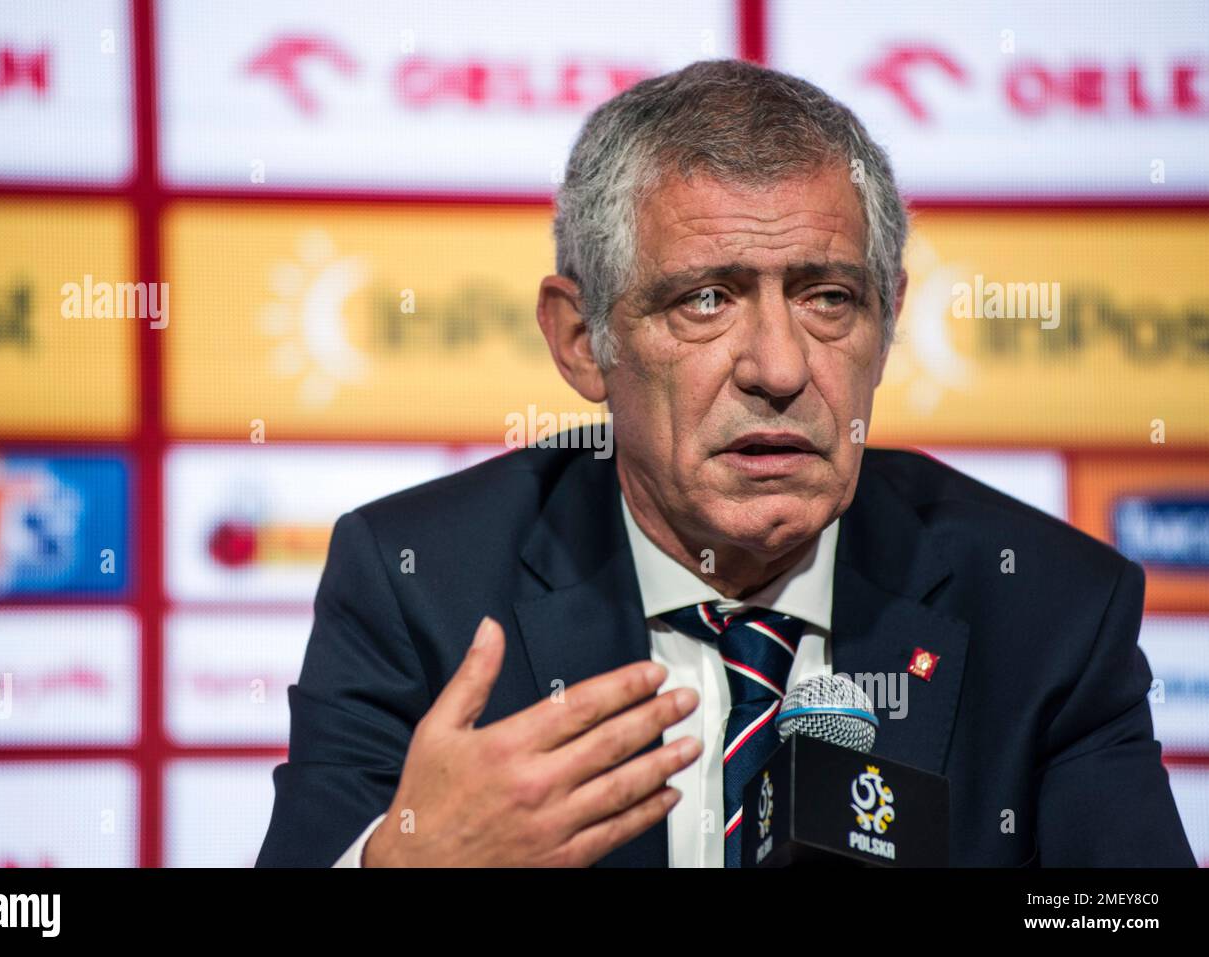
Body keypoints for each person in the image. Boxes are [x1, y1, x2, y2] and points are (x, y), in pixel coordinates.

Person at [255, 59, 1195, 868]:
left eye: (830, 297)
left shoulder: (1047, 605)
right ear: (582, 341)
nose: (781, 369)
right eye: (707, 300)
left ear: (888, 321)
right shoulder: (420, 583)